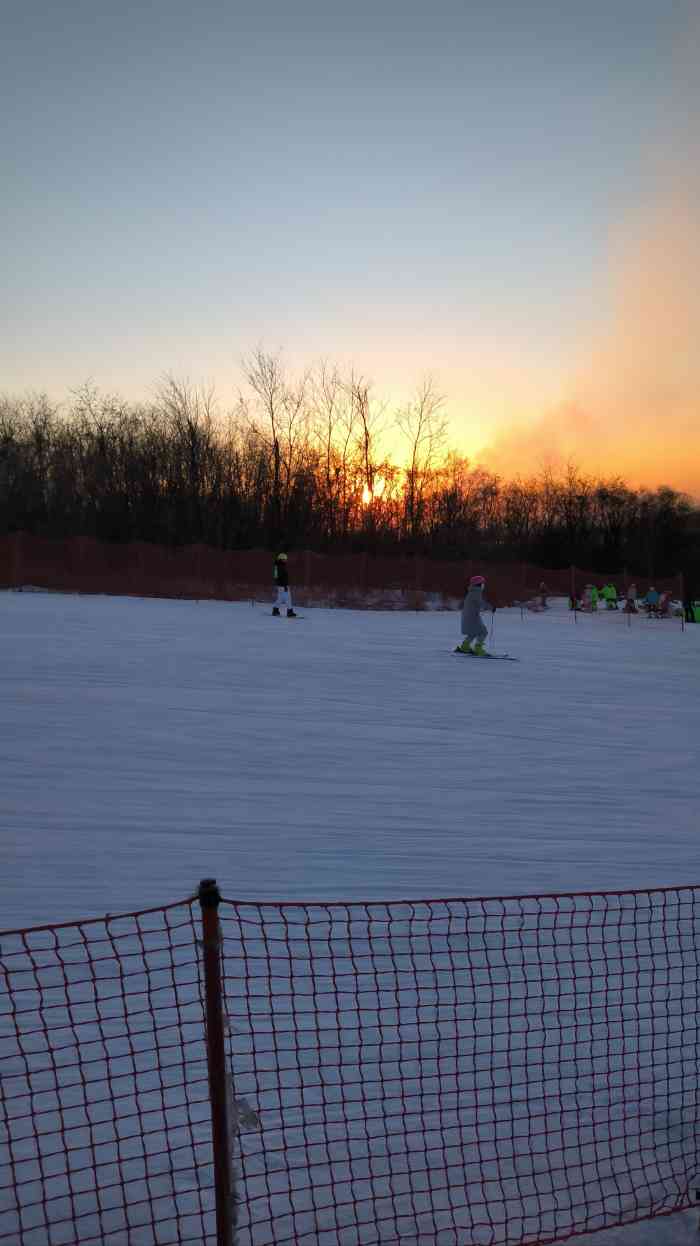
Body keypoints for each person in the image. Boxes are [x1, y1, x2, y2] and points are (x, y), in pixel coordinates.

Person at [456, 574, 493, 655]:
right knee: (483, 632)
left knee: (472, 632)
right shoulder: (476, 593)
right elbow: (481, 603)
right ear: (479, 584)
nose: (483, 585)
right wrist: (491, 607)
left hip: (468, 616)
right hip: (473, 617)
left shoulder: (472, 592)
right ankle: (478, 648)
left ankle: (465, 646)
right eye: (482, 584)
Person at [272, 552, 297, 617]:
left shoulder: (277, 566)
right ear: (281, 559)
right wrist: (285, 586)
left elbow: (276, 577)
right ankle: (290, 612)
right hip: (283, 585)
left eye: (286, 559)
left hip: (280, 585)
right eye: (284, 559)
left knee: (280, 598)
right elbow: (281, 577)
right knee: (288, 598)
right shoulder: (280, 567)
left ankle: (275, 610)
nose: (285, 560)